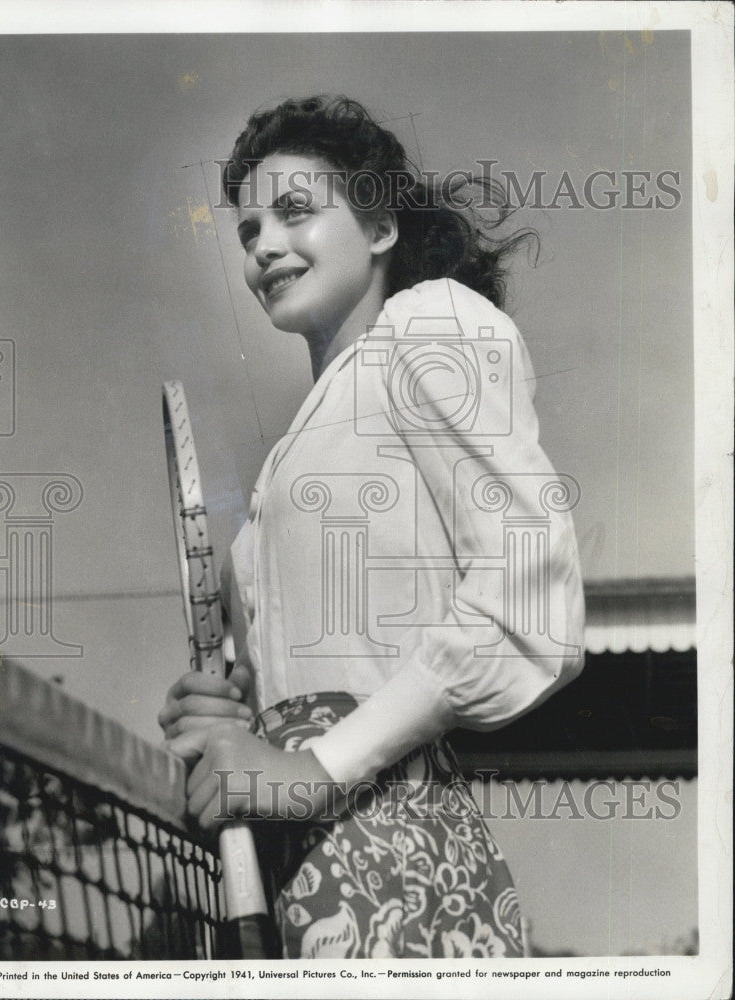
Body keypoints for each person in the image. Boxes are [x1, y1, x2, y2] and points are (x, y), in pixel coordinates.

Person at [159, 96, 584, 959]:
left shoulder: (432, 325)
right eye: (247, 232)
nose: (264, 247)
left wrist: (314, 767)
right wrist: (231, 715)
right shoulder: (288, 460)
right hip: (291, 863)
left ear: (382, 224)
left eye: (295, 212)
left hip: (391, 843)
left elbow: (530, 601)